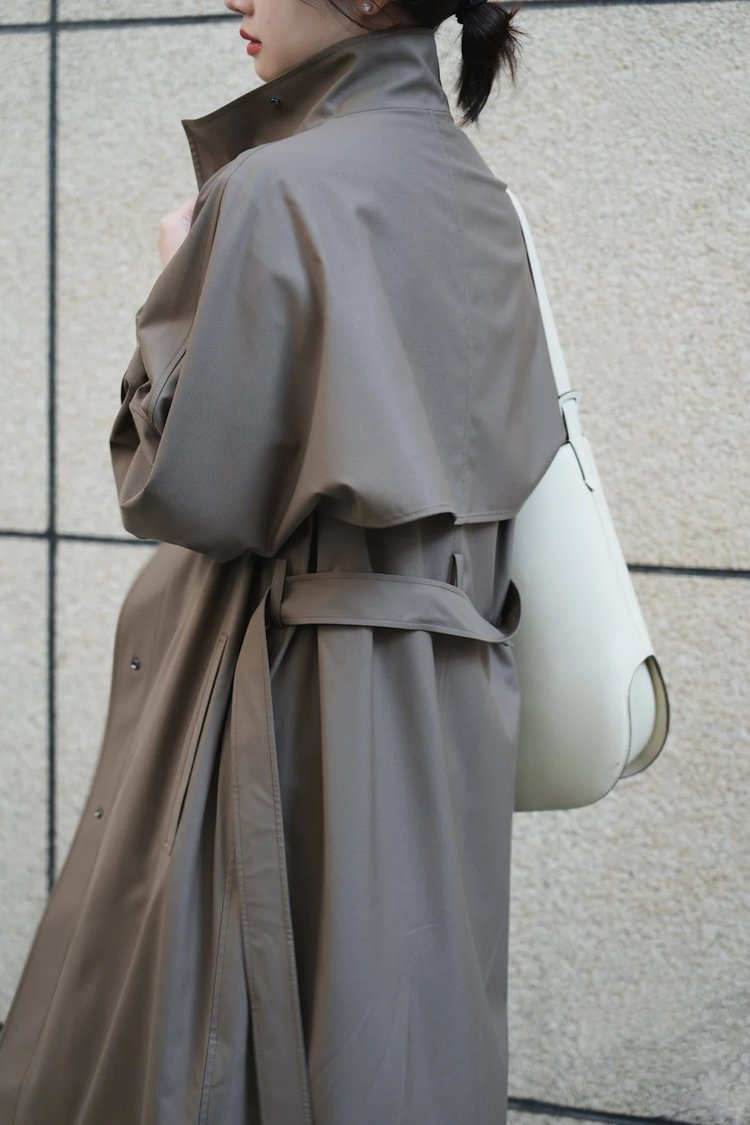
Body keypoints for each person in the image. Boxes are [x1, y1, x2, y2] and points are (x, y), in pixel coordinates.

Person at [0, 2, 566, 1123]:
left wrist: (184, 279)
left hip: (286, 684)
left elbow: (180, 485)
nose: (237, 0)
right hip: (443, 701)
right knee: (401, 1027)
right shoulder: (478, 193)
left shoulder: (271, 188)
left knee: (218, 1032)